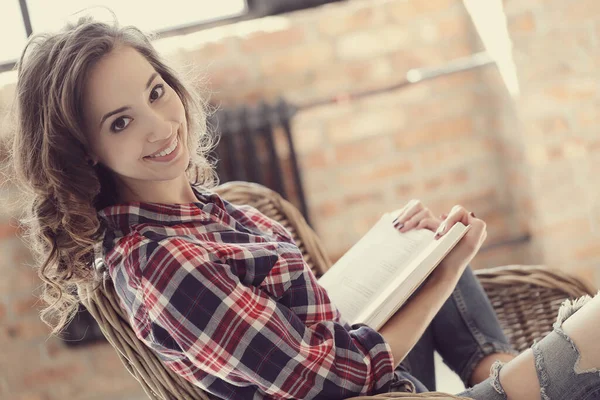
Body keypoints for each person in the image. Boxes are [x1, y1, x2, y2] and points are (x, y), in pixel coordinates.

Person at [6, 14, 600, 400]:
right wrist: (444, 269)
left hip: (375, 376)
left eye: (155, 92)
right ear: (83, 151)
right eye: (122, 122)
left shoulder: (202, 211)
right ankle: (510, 382)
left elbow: (311, 327)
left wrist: (408, 254)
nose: (162, 127)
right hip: (364, 389)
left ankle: (490, 369)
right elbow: (334, 375)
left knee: (423, 239)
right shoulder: (160, 263)